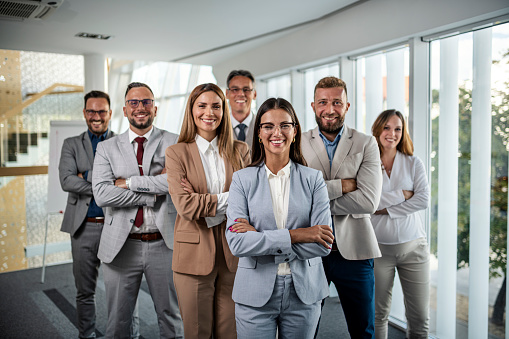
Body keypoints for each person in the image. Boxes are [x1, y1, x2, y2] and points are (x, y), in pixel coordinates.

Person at [226, 97, 334, 339]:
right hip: (254, 292)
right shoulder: (242, 180)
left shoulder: (313, 179)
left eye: (285, 125)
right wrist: (299, 235)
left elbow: (323, 243)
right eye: (268, 126)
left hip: (304, 293)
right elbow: (237, 243)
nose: (277, 132)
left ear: (294, 131)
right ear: (259, 133)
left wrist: (260, 239)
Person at [92, 82, 183, 338]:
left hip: (164, 244)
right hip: (121, 246)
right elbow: (102, 194)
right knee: (118, 324)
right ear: (124, 109)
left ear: (155, 107)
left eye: (146, 102)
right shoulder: (107, 148)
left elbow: (176, 184)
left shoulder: (175, 142)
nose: (140, 107)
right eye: (134, 102)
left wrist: (127, 183)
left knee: (171, 320)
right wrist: (155, 191)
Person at [165, 83, 250, 339]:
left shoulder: (240, 150)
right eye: (201, 105)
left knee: (231, 332)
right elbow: (186, 206)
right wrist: (232, 198)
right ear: (192, 110)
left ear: (224, 111)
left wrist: (205, 199)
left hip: (233, 251)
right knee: (197, 332)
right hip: (192, 253)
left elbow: (250, 203)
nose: (209, 112)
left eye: (216, 106)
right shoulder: (176, 153)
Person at [301, 76, 382, 339]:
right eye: (323, 102)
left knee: (363, 330)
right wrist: (344, 186)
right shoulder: (297, 142)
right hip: (311, 251)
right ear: (313, 105)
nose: (330, 109)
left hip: (356, 252)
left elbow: (369, 201)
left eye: (337, 102)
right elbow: (296, 198)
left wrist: (318, 194)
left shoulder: (366, 143)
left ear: (347, 106)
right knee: (305, 327)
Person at [59, 90, 127, 339]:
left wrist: (84, 175)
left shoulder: (123, 142)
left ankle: (123, 334)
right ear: (84, 113)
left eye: (101, 111)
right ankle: (86, 335)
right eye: (91, 111)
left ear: (110, 113)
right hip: (83, 227)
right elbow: (66, 180)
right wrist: (105, 182)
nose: (96, 116)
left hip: (115, 225)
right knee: (84, 290)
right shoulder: (71, 144)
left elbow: (128, 180)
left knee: (121, 290)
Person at [371, 109, 430, 339]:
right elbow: (366, 202)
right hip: (378, 250)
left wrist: (384, 208)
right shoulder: (367, 164)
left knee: (419, 319)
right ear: (377, 130)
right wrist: (403, 195)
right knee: (378, 315)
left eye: (397, 128)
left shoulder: (414, 163)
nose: (392, 133)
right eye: (386, 127)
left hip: (414, 249)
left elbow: (423, 199)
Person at [225, 70, 257, 147]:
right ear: (227, 94)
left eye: (246, 90)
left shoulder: (264, 126)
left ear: (254, 94)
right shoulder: (218, 128)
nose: (241, 94)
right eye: (235, 89)